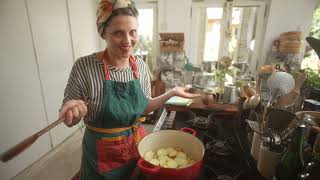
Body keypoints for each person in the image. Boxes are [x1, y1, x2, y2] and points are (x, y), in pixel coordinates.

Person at [59, 0, 200, 179]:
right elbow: (68, 120)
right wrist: (73, 113)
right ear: (103, 33)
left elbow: (145, 107)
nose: (127, 41)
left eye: (132, 32)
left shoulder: (140, 65)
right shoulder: (84, 66)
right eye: (118, 33)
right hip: (101, 154)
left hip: (136, 144)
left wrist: (171, 93)